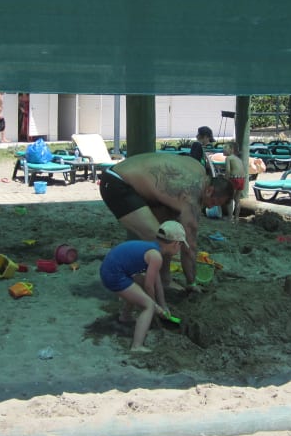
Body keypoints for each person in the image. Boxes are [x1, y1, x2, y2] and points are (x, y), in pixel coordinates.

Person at [99, 152, 233, 288]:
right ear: (209, 191)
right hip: (117, 183)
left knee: (169, 235)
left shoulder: (198, 168)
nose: (211, 206)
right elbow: (190, 248)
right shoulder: (191, 199)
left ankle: (164, 280)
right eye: (214, 202)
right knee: (159, 240)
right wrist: (192, 282)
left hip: (132, 180)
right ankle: (129, 280)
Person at [99, 221, 186, 352]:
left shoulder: (154, 250)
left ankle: (125, 316)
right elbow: (149, 286)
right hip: (113, 275)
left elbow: (157, 283)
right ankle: (137, 346)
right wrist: (154, 306)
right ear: (175, 243)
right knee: (148, 305)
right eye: (181, 245)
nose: (180, 248)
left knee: (138, 287)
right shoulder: (156, 257)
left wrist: (163, 306)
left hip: (111, 270)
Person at [222, 141, 246, 222]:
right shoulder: (238, 159)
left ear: (232, 149)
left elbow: (228, 171)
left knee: (229, 198)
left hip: (234, 179)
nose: (223, 150)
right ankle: (236, 218)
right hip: (242, 179)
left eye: (225, 148)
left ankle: (230, 217)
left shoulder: (228, 158)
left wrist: (224, 180)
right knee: (237, 199)